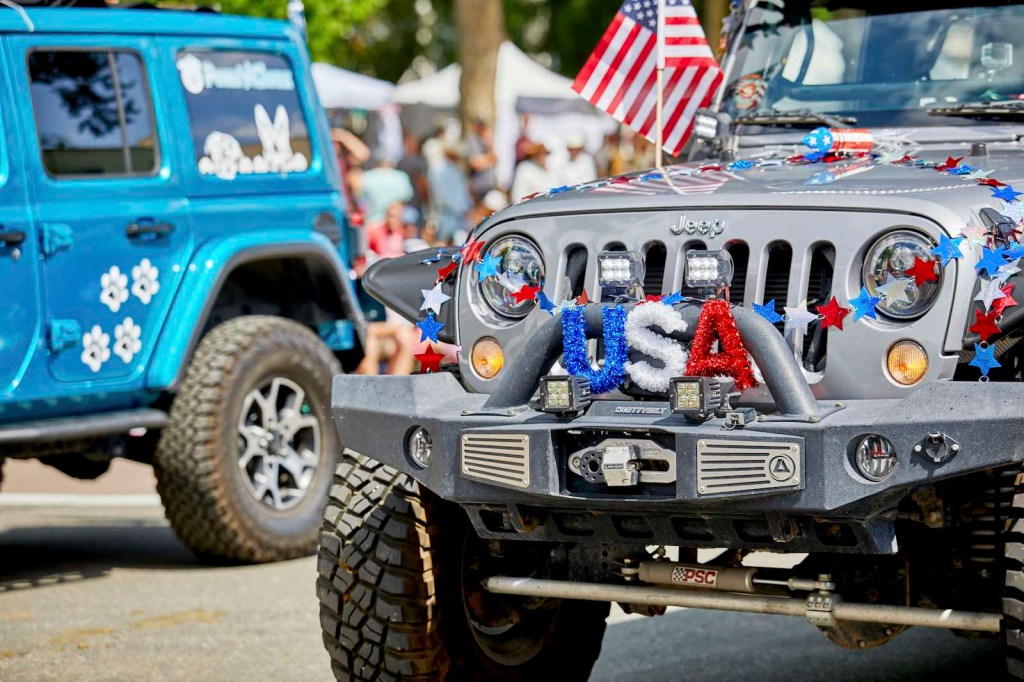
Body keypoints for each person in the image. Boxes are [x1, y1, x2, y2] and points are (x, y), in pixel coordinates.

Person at [428, 141, 472, 245]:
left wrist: (466, 208)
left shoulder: (455, 169)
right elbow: (440, 195)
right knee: (443, 243)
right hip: (446, 215)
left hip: (458, 216)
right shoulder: (438, 170)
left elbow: (463, 191)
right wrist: (459, 208)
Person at [396, 133, 430, 227]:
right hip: (415, 204)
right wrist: (427, 201)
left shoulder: (400, 162)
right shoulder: (418, 162)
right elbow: (423, 183)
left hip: (404, 203)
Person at [466, 117, 498, 201]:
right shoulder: (472, 140)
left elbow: (495, 159)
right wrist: (489, 160)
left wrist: (489, 146)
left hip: (489, 184)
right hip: (478, 187)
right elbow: (476, 164)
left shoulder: (486, 141)